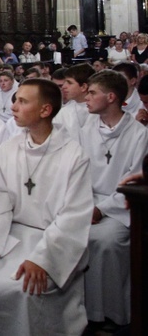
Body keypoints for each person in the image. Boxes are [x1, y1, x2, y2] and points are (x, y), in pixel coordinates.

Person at [0, 79, 93, 336]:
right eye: (15, 100)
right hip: (12, 238)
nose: (13, 106)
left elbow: (73, 215)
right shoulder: (7, 150)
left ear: (45, 110)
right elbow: (0, 203)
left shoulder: (74, 155)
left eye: (22, 101)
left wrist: (43, 259)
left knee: (21, 290)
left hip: (54, 242)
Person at [79, 70, 148, 327]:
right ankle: (82, 312)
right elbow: (78, 171)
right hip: (87, 201)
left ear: (110, 97)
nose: (86, 97)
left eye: (92, 92)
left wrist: (101, 209)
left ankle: (113, 314)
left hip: (122, 206)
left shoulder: (138, 134)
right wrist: (83, 205)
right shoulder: (87, 129)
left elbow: (134, 181)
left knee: (105, 241)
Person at [55, 63, 95, 140]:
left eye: (69, 83)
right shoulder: (63, 112)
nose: (63, 87)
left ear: (83, 87)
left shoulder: (101, 110)